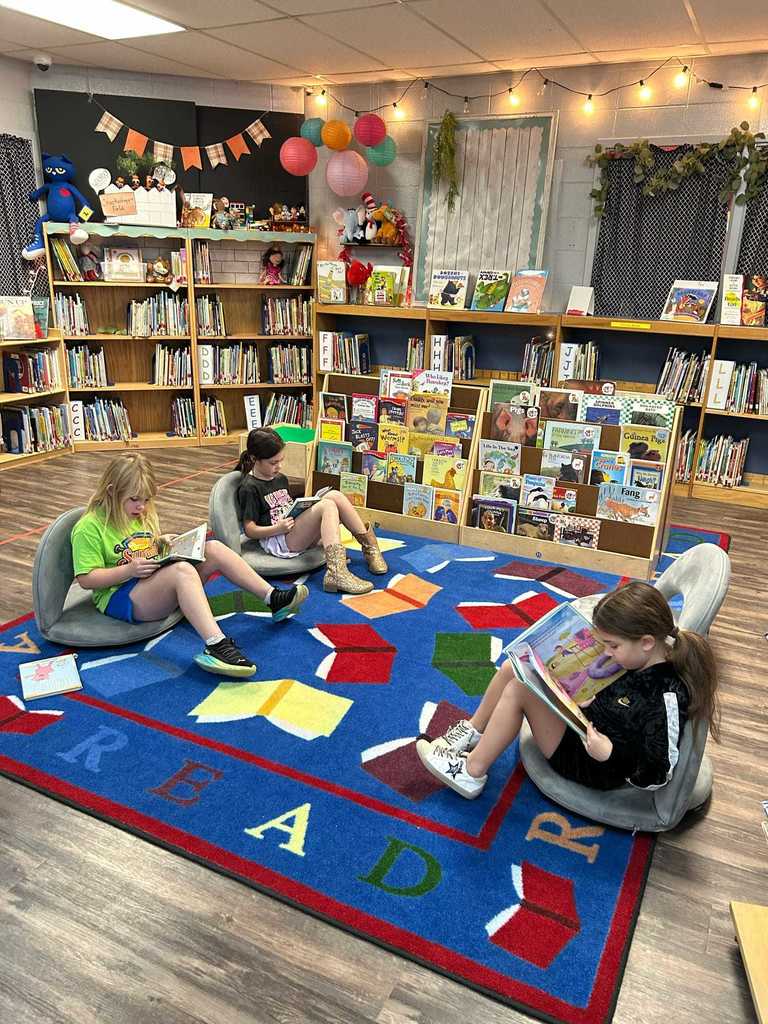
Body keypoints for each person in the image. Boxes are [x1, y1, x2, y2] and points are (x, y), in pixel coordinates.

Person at [416, 581, 719, 799]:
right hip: (585, 725)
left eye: (613, 645)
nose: (609, 652)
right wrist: (591, 700)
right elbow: (623, 703)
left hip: (595, 763)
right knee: (515, 667)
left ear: (647, 642)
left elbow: (658, 770)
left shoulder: (666, 693)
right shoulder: (640, 658)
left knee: (519, 691)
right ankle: (472, 731)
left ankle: (472, 771)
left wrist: (610, 754)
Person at [71, 453, 308, 679]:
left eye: (146, 499)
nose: (141, 506)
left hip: (151, 582)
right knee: (182, 572)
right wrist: (128, 571)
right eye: (134, 500)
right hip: (120, 597)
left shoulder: (142, 512)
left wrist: (162, 543)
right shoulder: (89, 527)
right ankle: (216, 644)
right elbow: (86, 579)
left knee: (212, 547)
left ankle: (272, 598)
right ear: (112, 492)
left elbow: (144, 546)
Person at [236, 427, 388, 596]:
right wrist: (277, 529)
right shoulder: (249, 487)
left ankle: (370, 548)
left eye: (281, 460)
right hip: (278, 540)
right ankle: (336, 573)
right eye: (273, 463)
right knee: (327, 506)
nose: (279, 466)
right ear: (254, 459)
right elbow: (249, 530)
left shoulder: (280, 479)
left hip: (291, 531)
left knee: (335, 496)